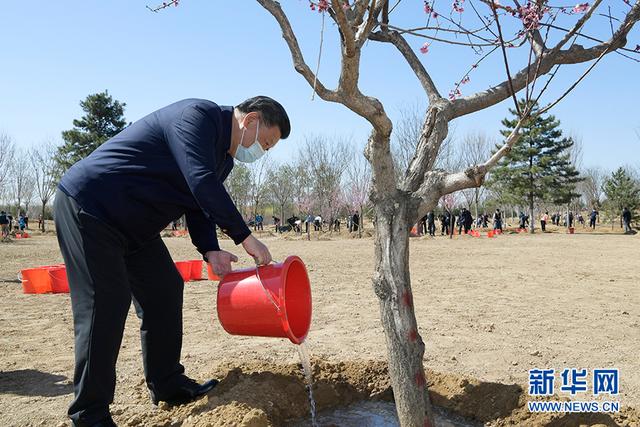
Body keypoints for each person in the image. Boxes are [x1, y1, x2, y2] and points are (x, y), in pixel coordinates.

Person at [54, 96, 290, 426]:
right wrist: (245, 236)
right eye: (264, 143)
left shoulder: (223, 159)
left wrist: (210, 248)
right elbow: (200, 181)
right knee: (105, 303)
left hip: (134, 227)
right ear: (250, 121)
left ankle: (167, 384)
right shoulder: (197, 118)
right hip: (91, 206)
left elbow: (197, 203)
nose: (261, 152)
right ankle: (89, 413)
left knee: (164, 289)